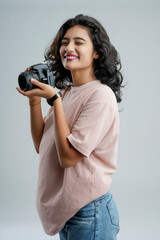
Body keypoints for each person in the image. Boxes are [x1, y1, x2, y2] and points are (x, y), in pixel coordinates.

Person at [16, 14, 123, 240]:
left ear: (97, 52)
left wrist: (54, 100)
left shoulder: (100, 96)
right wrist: (34, 101)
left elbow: (68, 157)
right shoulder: (66, 93)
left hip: (90, 212)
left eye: (78, 42)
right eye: (64, 42)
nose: (68, 47)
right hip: (71, 214)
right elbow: (41, 145)